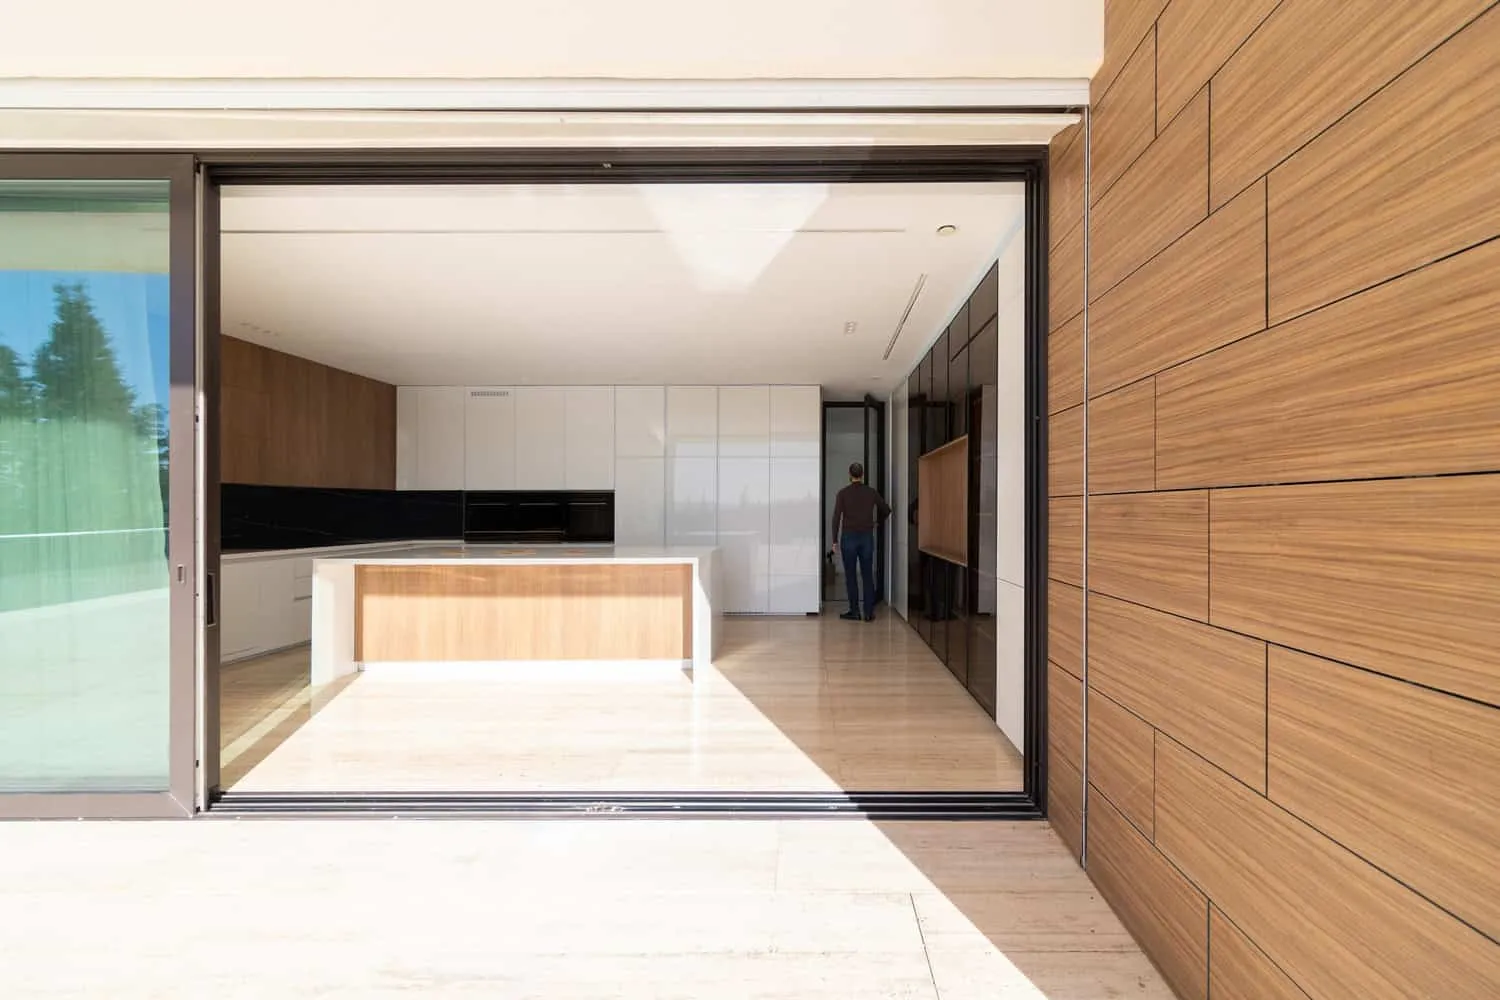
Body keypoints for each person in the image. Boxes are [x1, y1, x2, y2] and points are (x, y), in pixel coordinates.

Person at [831, 462, 891, 622]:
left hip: (848, 538)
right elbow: (886, 509)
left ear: (850, 475)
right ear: (862, 475)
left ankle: (854, 611)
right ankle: (869, 613)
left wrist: (834, 540)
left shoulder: (842, 493)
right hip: (866, 538)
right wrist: (876, 522)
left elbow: (836, 517)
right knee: (867, 576)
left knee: (850, 576)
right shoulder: (871, 492)